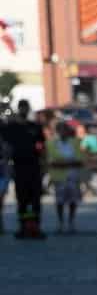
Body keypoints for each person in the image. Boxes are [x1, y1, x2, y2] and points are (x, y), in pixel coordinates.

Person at [0, 100, 44, 239]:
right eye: (21, 108)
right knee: (22, 199)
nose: (23, 110)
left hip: (34, 166)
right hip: (19, 167)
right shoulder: (12, 127)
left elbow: (41, 145)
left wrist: (43, 161)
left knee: (35, 199)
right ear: (18, 109)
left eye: (25, 108)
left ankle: (36, 226)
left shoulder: (35, 126)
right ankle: (23, 226)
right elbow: (5, 141)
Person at [47, 121, 86, 233]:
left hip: (73, 176)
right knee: (59, 201)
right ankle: (60, 223)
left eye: (65, 130)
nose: (63, 132)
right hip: (59, 177)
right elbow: (51, 162)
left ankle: (71, 222)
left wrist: (63, 163)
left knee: (73, 201)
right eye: (60, 130)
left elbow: (80, 161)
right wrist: (69, 162)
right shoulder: (51, 144)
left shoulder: (75, 142)